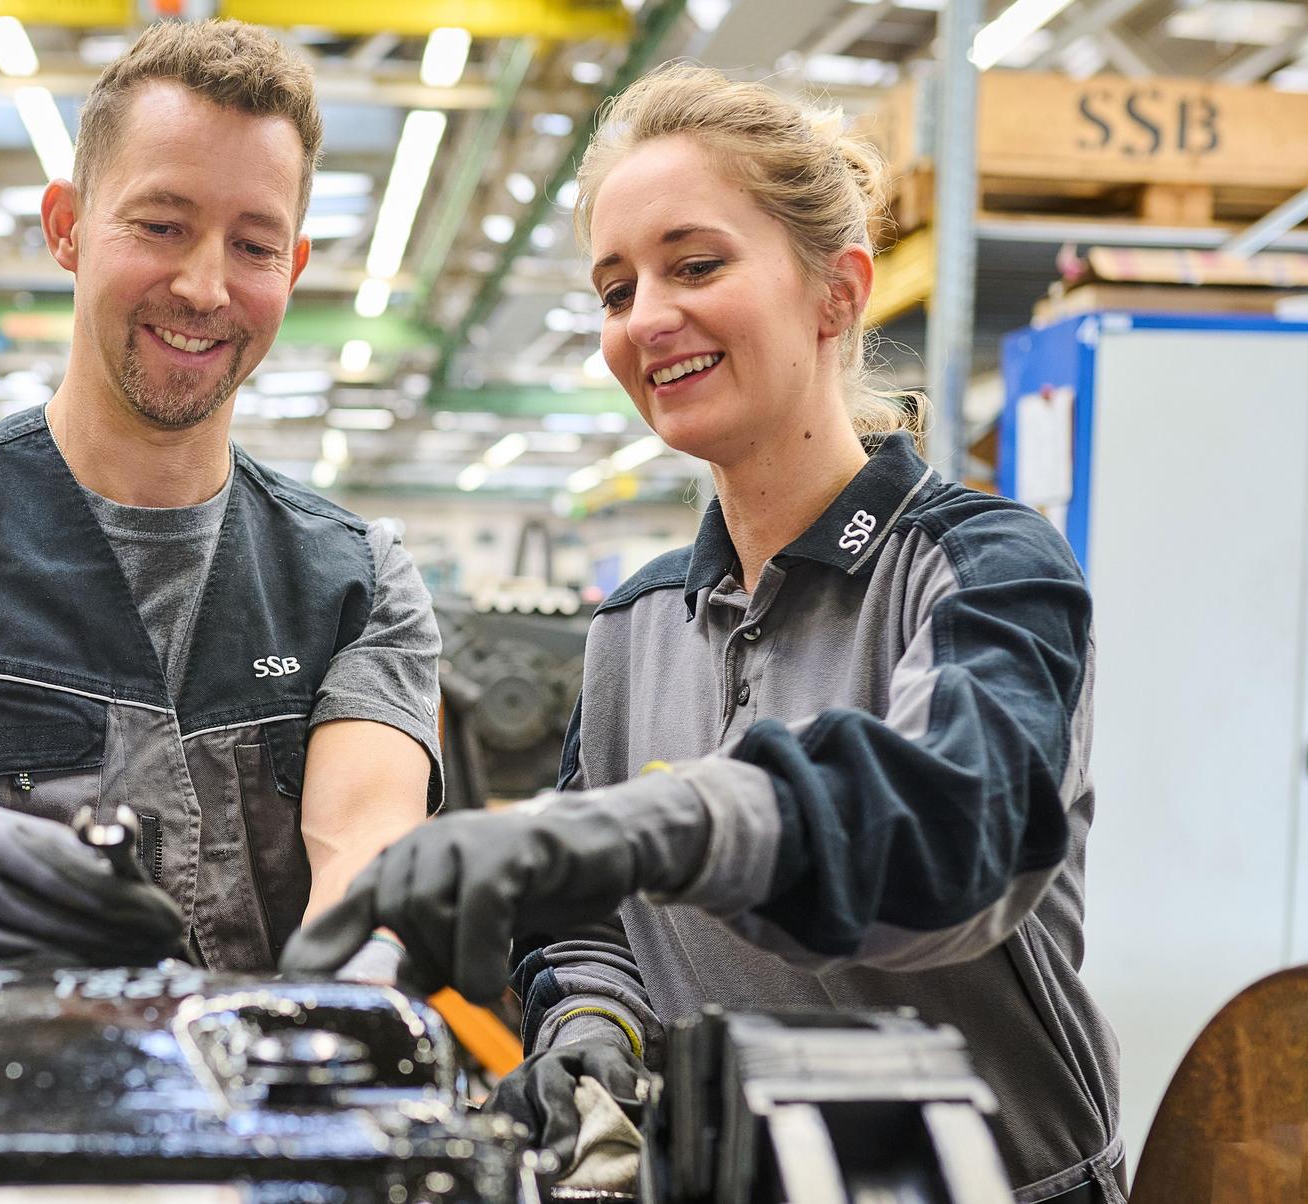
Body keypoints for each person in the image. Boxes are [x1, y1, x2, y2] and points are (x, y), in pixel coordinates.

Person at [284, 65, 1122, 1202]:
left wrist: (639, 826)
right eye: (615, 288)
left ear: (837, 293)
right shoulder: (636, 625)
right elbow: (591, 925)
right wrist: (592, 1025)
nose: (646, 318)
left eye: (695, 265)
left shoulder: (983, 567)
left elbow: (955, 831)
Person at [0, 20, 441, 978]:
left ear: (291, 268)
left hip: (258, 1074)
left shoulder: (359, 582)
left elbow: (365, 841)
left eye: (253, 245)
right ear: (67, 228)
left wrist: (367, 960)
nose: (204, 286)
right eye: (161, 226)